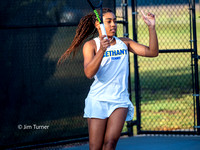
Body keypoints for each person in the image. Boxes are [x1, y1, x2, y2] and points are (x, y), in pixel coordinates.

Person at [58, 8, 158, 150]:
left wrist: (151, 27)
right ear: (98, 25)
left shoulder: (124, 43)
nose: (113, 25)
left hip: (120, 100)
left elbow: (152, 52)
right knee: (95, 147)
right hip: (98, 100)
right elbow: (89, 73)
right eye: (108, 21)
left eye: (115, 21)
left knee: (110, 144)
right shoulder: (91, 45)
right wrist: (102, 51)